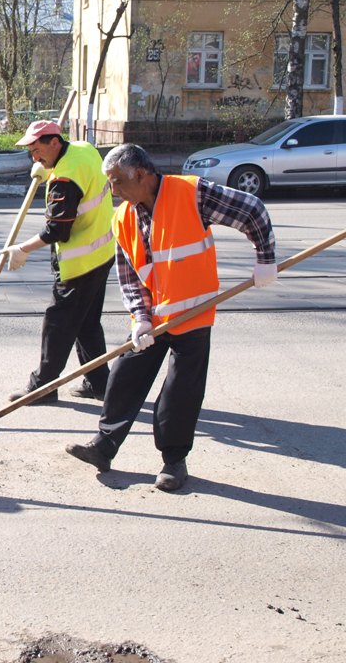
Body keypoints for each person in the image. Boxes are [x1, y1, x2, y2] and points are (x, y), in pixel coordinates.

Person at [65, 143, 277, 491]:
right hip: (155, 316)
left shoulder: (191, 194)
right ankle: (103, 447)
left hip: (193, 313)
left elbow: (251, 209)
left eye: (117, 182)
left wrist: (265, 259)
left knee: (180, 391)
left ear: (143, 175)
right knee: (124, 375)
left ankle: (173, 463)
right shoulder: (123, 217)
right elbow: (129, 275)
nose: (112, 191)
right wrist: (140, 317)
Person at [1, 120, 116, 404]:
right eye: (31, 152)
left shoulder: (64, 179)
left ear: (54, 142)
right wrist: (48, 168)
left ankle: (42, 387)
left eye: (38, 150)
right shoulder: (84, 149)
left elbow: (57, 230)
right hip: (103, 253)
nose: (34, 157)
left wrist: (22, 249)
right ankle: (100, 383)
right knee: (87, 323)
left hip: (80, 264)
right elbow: (82, 176)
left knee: (58, 323)